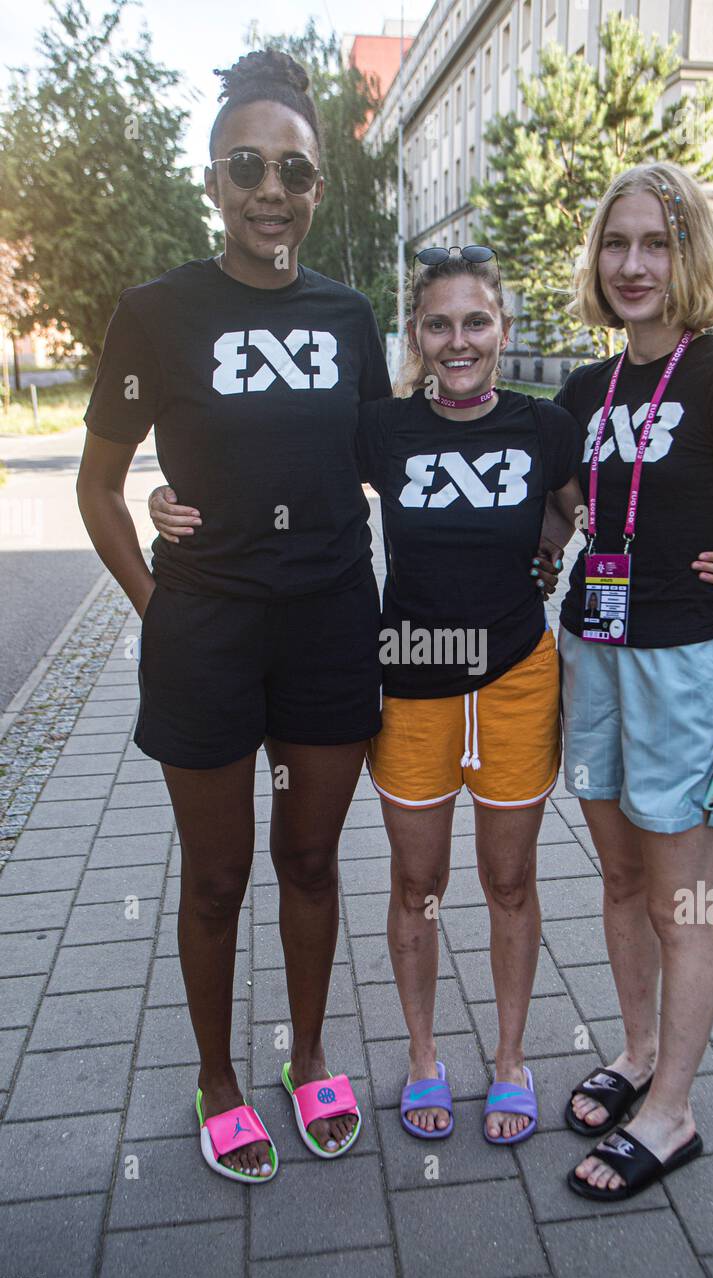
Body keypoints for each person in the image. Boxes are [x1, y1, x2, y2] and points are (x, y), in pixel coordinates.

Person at [152, 245, 713, 1145]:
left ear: (502, 328)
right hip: (413, 680)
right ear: (415, 337)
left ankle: (508, 1062)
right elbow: (286, 469)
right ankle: (423, 1057)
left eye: (476, 321)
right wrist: (174, 496)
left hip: (515, 680)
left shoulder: (547, 427)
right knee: (417, 880)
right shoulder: (380, 429)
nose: (458, 340)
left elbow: (616, 505)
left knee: (509, 879)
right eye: (438, 324)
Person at [77, 50, 391, 1180]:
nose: (273, 187)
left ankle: (308, 1058)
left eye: (294, 169)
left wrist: (555, 512)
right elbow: (98, 488)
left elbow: (390, 460)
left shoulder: (350, 315)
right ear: (213, 179)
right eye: (249, 165)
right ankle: (216, 1074)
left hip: (325, 627)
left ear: (317, 187)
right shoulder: (156, 313)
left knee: (310, 861)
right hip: (204, 631)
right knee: (216, 877)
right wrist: (159, 604)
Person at [540, 162, 713, 1200]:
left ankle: (673, 1112)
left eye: (654, 243)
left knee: (682, 904)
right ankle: (637, 1055)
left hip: (683, 668)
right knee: (619, 880)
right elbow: (557, 509)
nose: (631, 264)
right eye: (615, 244)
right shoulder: (584, 390)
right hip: (588, 656)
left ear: (686, 255)